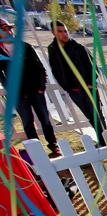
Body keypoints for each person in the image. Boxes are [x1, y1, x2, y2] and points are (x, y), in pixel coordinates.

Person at [0, 18, 60, 157]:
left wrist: (41, 87)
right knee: (27, 122)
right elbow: (1, 76)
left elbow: (40, 68)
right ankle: (37, 151)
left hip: (35, 90)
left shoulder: (25, 46)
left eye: (9, 27)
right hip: (18, 94)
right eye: (4, 28)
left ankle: (54, 146)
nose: (9, 30)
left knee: (45, 119)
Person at [48, 21, 107, 145]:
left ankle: (105, 140)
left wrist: (91, 83)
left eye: (65, 30)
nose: (64, 34)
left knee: (97, 114)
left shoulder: (78, 47)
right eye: (60, 31)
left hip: (88, 88)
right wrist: (66, 87)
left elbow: (93, 67)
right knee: (89, 115)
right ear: (53, 32)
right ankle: (102, 139)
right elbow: (56, 70)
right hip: (74, 90)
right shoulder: (52, 49)